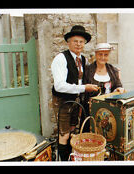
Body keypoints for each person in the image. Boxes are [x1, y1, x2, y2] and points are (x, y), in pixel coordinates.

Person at [51, 25, 99, 161]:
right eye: (75, 41)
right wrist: (84, 88)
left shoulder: (83, 60)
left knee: (73, 130)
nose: (78, 44)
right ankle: (64, 161)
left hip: (76, 101)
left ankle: (71, 159)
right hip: (63, 101)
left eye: (81, 42)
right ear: (68, 42)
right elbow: (59, 86)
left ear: (84, 44)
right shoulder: (60, 59)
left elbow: (84, 79)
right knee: (64, 134)